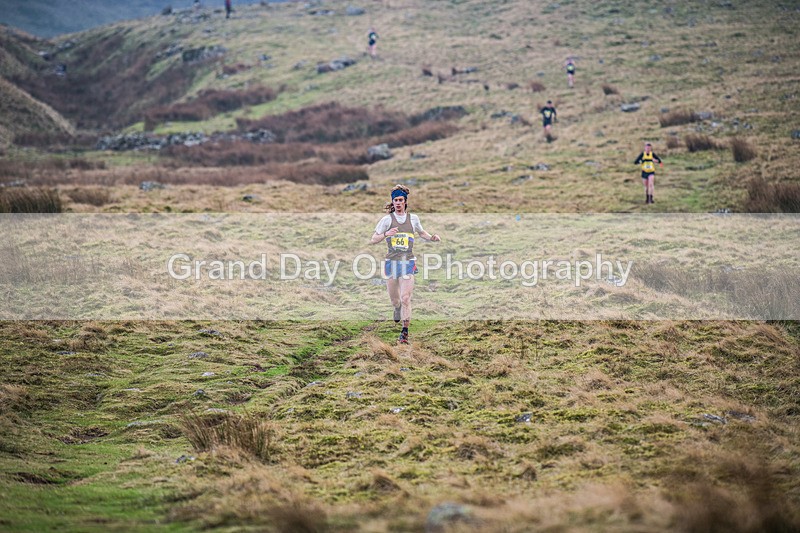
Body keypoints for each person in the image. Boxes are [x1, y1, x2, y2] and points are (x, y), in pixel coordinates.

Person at [371, 185, 441, 344]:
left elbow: (421, 233)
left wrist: (431, 238)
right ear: (392, 202)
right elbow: (373, 239)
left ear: (405, 201)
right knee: (396, 301)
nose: (397, 203)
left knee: (405, 298)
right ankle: (396, 310)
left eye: (400, 200)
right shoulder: (387, 220)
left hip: (408, 262)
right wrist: (385, 234)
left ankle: (405, 332)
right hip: (391, 263)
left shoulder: (413, 219)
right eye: (395, 200)